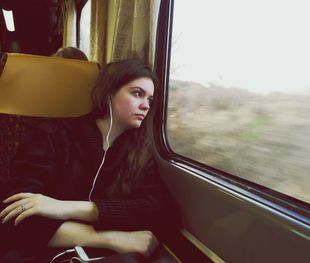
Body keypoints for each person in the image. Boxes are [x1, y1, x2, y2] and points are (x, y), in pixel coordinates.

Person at [0, 59, 178, 262]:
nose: (145, 105)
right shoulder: (52, 135)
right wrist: (107, 238)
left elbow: (163, 212)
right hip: (40, 250)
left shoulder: (137, 152)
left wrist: (64, 207)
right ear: (109, 92)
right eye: (137, 93)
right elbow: (14, 213)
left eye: (150, 99)